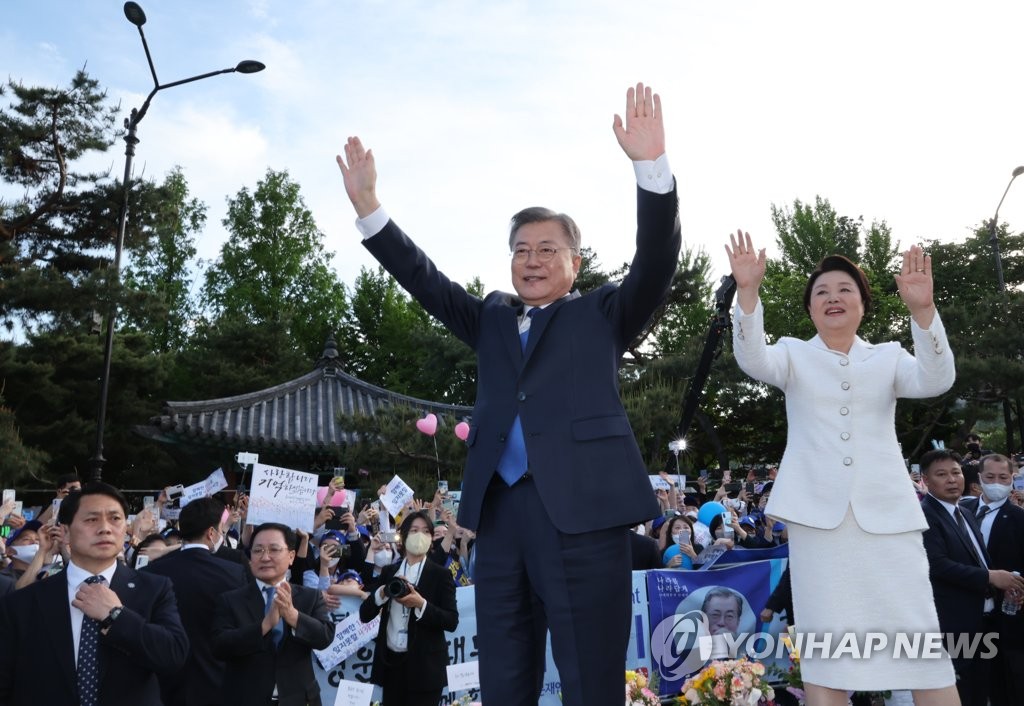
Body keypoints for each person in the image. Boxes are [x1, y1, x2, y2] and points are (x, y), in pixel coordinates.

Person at [336, 82, 681, 706]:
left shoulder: (601, 313)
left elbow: (656, 262)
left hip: (582, 516)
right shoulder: (492, 315)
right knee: (504, 674)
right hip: (499, 518)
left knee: (589, 676)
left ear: (575, 263)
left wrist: (650, 169)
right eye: (521, 250)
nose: (532, 260)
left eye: (548, 250)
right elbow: (428, 283)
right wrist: (371, 209)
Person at [727, 233, 961, 706]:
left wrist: (924, 312)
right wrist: (747, 292)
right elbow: (752, 358)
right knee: (826, 650)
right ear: (811, 309)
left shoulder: (889, 357)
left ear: (863, 304)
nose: (833, 297)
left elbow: (937, 379)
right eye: (822, 292)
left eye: (844, 290)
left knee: (919, 644)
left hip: (889, 520)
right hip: (819, 523)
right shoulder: (792, 354)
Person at [0, 482, 189, 705]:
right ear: (66, 532)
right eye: (91, 519)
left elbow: (173, 656)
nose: (105, 528)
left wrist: (116, 615)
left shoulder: (155, 588)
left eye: (115, 519)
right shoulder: (24, 601)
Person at [919, 450, 1023, 706]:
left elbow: (979, 558)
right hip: (956, 626)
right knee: (962, 693)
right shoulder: (926, 515)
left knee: (983, 690)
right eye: (941, 475)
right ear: (925, 480)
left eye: (955, 472)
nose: (952, 479)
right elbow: (938, 565)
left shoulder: (963, 511)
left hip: (985, 621)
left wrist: (1006, 585)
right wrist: (990, 577)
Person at [211, 522, 334, 706]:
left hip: (300, 699)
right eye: (258, 550)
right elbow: (219, 646)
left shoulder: (310, 596)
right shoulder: (230, 600)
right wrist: (264, 625)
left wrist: (293, 616)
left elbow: (324, 637)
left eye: (274, 549)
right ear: (250, 557)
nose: (265, 557)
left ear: (291, 556)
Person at [145, 497, 246, 706]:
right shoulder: (234, 574)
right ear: (211, 532)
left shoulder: (152, 572)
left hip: (164, 684)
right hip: (218, 682)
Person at [359, 510, 459, 706]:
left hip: (425, 669)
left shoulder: (440, 575)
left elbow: (451, 621)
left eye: (425, 531)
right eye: (414, 530)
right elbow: (365, 614)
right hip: (391, 664)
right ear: (403, 537)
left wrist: (421, 604)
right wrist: (383, 593)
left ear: (431, 539)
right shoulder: (390, 572)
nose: (420, 535)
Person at [959, 454, 1024, 706]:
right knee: (968, 684)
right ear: (979, 479)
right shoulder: (962, 513)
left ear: (1011, 479)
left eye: (1003, 478)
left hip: (1008, 619)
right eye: (990, 477)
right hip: (965, 614)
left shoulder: (1019, 519)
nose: (996, 482)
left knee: (1007, 686)